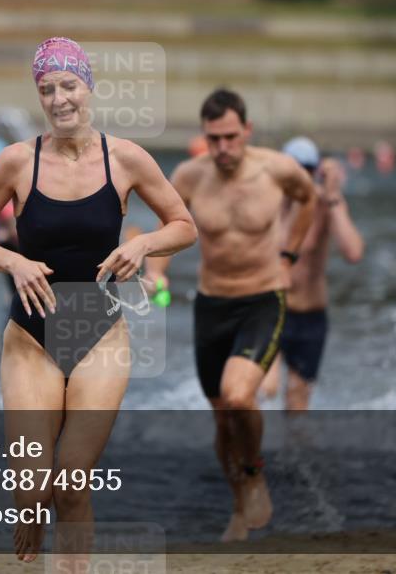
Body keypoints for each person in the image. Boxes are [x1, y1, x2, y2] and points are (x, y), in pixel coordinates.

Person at [0, 37, 196, 563]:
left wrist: (143, 243)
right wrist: (12, 260)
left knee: (70, 481)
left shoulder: (127, 159)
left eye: (69, 86)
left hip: (100, 337)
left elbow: (183, 226)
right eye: (47, 89)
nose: (59, 99)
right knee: (31, 490)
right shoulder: (16, 163)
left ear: (89, 87)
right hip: (30, 339)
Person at [145, 88, 317, 542]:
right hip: (211, 305)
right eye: (213, 138)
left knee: (239, 396)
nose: (222, 148)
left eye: (230, 137)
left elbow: (309, 198)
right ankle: (240, 504)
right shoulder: (189, 176)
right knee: (222, 416)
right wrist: (157, 273)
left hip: (263, 299)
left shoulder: (276, 169)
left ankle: (255, 473)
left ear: (247, 131)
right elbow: (163, 229)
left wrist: (289, 254)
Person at [259, 138, 365, 410]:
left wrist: (333, 196)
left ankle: (292, 452)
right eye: (293, 169)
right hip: (270, 310)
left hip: (310, 317)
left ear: (315, 171)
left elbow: (353, 252)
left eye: (306, 169)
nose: (299, 176)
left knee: (297, 405)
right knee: (265, 389)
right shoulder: (267, 202)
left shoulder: (326, 205)